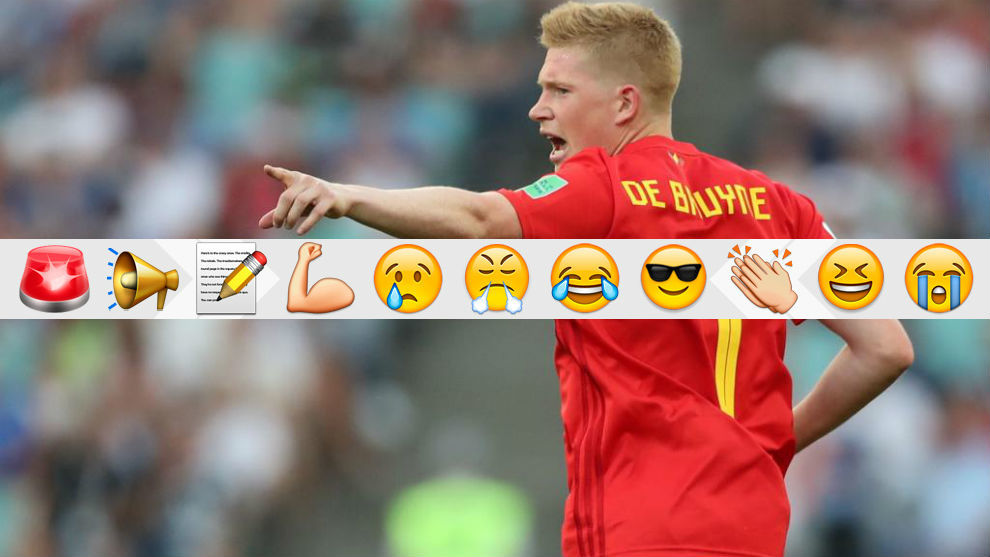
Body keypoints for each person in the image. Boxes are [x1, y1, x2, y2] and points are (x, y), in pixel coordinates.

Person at [259, 3, 914, 556]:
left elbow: (481, 217)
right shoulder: (780, 205)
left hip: (642, 526)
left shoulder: (605, 186)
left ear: (625, 103)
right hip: (751, 522)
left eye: (559, 91)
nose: (537, 110)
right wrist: (770, 446)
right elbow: (886, 347)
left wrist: (349, 196)